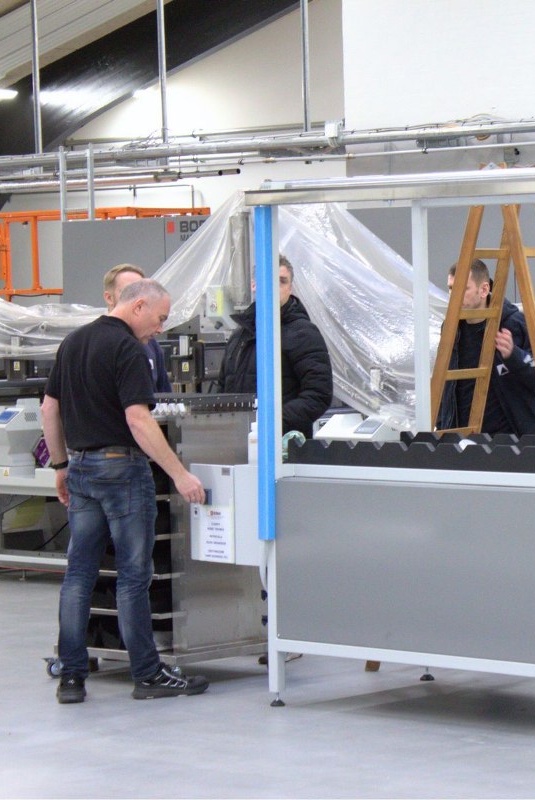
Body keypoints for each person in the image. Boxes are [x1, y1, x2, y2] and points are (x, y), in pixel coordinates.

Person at [41, 278, 209, 704]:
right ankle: (147, 674)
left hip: (81, 469)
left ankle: (72, 677)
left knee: (79, 574)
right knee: (134, 576)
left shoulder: (73, 343)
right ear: (138, 307)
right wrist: (179, 474)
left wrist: (60, 466)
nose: (160, 328)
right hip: (122, 471)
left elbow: (49, 408)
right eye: (160, 318)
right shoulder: (129, 350)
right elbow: (138, 420)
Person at [217, 255, 332, 438]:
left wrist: (272, 423)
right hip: (238, 442)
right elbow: (223, 389)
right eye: (268, 279)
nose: (275, 287)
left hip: (284, 445)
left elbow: (318, 395)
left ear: (290, 288)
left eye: (282, 281)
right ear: (254, 285)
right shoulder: (239, 336)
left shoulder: (303, 333)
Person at [436, 258, 535, 436]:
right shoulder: (451, 328)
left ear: (484, 290)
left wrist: (514, 355)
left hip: (512, 440)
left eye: (462, 289)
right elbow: (446, 383)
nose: (453, 296)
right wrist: (442, 426)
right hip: (463, 439)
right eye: (451, 288)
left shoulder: (512, 324)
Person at [103, 264, 173, 393]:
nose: (136, 297)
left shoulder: (150, 345)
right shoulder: (94, 343)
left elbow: (164, 395)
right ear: (109, 298)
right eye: (128, 291)